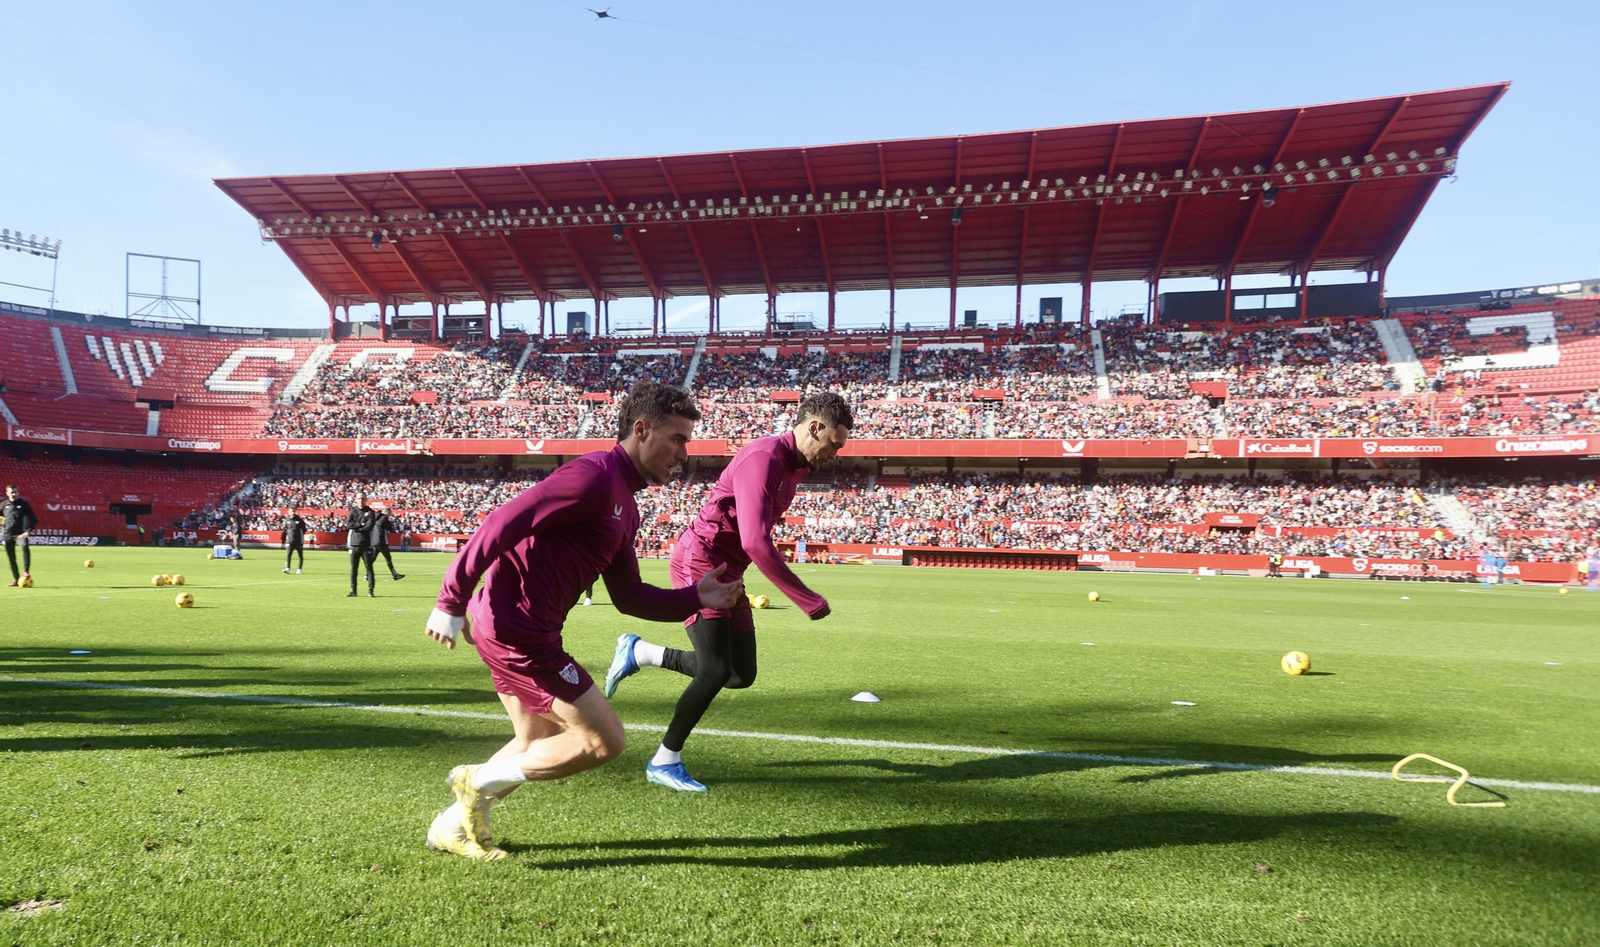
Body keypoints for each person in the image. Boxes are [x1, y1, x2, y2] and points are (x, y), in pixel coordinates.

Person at [421, 381, 745, 861]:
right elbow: (502, 523)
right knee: (604, 742)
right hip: (519, 633)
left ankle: (451, 826)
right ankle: (477, 781)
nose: (683, 453)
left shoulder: (626, 505)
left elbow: (629, 596)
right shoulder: (593, 476)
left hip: (514, 626)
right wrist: (451, 599)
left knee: (537, 740)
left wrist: (692, 597)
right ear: (641, 430)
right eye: (677, 439)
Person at [604, 392, 851, 792]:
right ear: (815, 428)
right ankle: (665, 760)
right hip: (700, 562)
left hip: (728, 569)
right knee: (715, 669)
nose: (834, 454)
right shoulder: (764, 458)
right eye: (833, 444)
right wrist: (805, 597)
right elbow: (755, 540)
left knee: (740, 673)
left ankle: (641, 652)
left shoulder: (798, 467)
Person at [3, 484, 38, 588]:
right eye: (11, 492)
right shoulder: (4, 505)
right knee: (11, 558)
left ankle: (26, 572)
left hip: (20, 535)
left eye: (15, 492)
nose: (13, 494)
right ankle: (15, 580)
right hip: (7, 535)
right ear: (7, 493)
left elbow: (34, 520)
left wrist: (28, 531)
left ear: (18, 492)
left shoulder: (24, 504)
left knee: (25, 547)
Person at [346, 493, 378, 597]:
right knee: (353, 568)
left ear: (366, 499)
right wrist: (361, 525)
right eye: (359, 498)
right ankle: (353, 591)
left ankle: (370, 591)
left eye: (363, 498)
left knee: (369, 568)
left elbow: (369, 527)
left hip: (366, 544)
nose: (361, 500)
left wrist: (357, 527)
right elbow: (349, 524)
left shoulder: (370, 512)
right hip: (354, 544)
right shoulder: (353, 511)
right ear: (356, 499)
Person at [369, 508, 405, 582]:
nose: (390, 515)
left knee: (372, 559)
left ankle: (367, 574)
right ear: (387, 513)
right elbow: (391, 529)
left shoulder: (375, 518)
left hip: (375, 541)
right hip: (382, 541)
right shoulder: (384, 518)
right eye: (390, 514)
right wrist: (392, 523)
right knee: (388, 558)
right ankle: (394, 574)